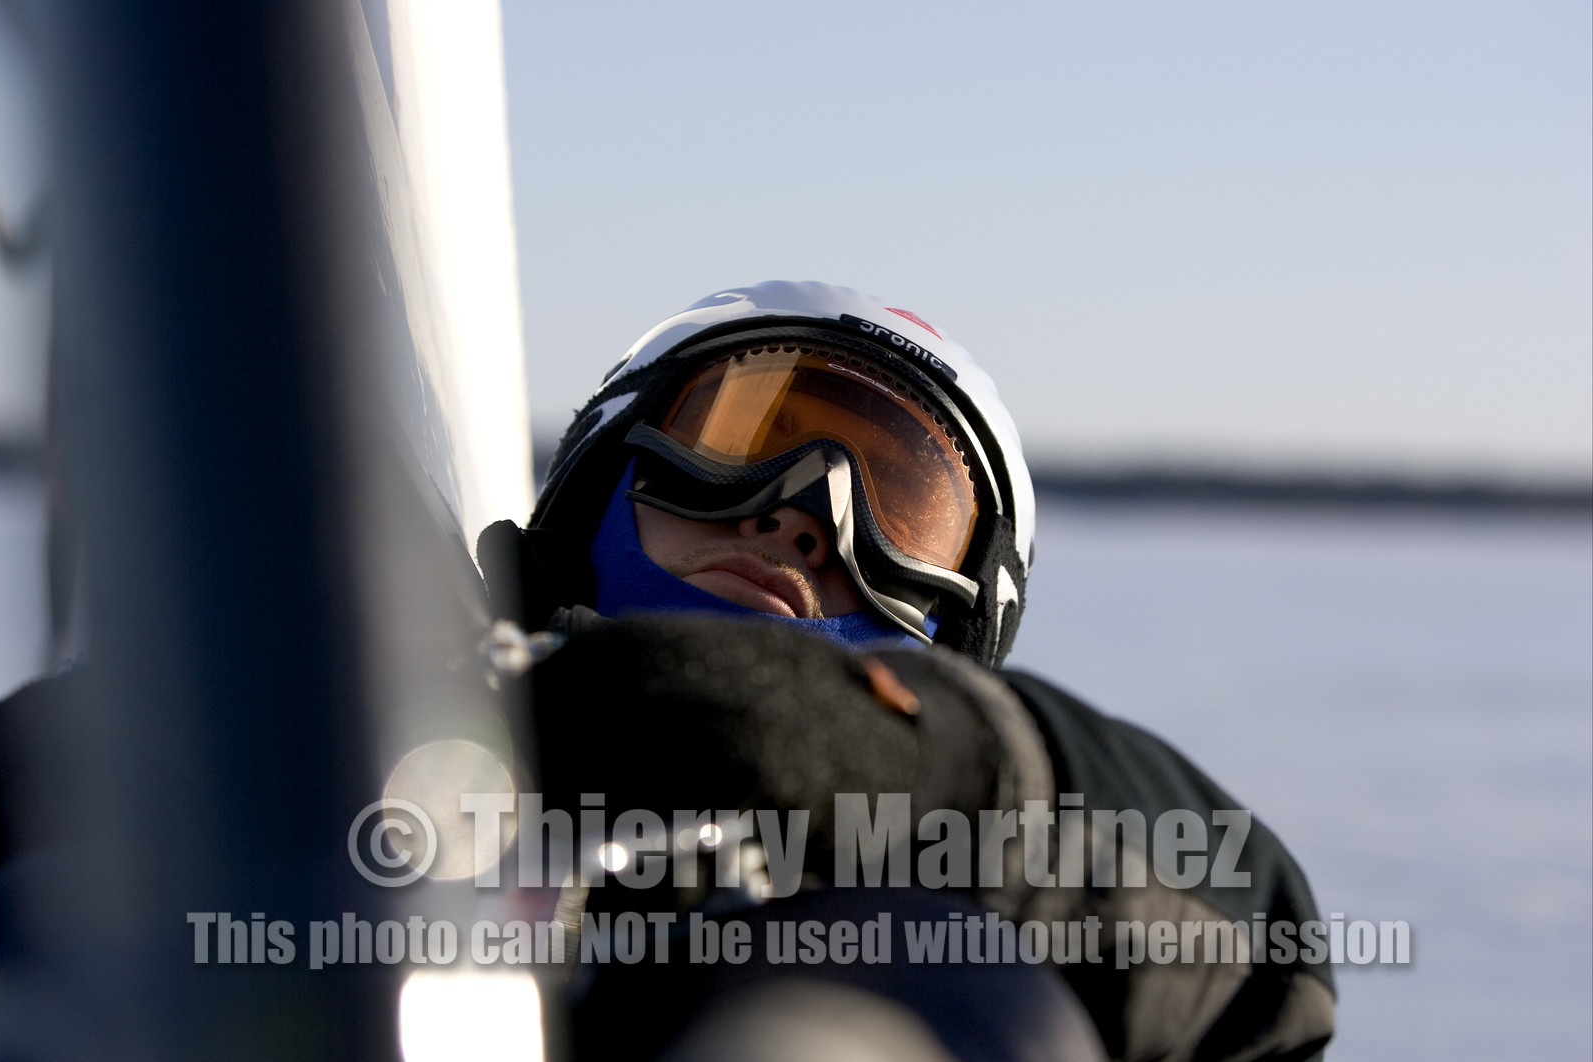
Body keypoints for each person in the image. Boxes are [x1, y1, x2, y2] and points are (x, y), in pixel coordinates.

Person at [479, 281, 1336, 1062]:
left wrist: (944, 764)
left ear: (957, 629)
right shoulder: (392, 689)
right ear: (607, 470)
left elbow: (1269, 966)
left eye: (901, 509)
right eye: (744, 438)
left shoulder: (914, 898)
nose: (801, 516)